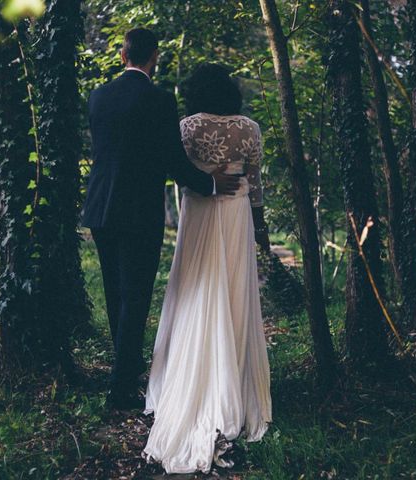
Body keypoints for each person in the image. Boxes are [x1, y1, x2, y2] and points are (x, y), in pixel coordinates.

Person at [81, 29, 241, 409]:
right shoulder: (159, 100)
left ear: (122, 55)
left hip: (101, 208)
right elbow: (173, 160)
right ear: (154, 57)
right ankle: (121, 390)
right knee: (135, 297)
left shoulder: (98, 97)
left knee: (114, 293)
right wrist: (211, 183)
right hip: (138, 211)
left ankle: (127, 365)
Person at [143, 63, 272, 474]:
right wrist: (261, 227)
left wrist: (202, 178)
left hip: (199, 211)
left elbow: (178, 172)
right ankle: (230, 380)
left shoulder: (188, 127)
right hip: (235, 215)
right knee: (232, 293)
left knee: (196, 286)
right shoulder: (250, 129)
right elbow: (255, 184)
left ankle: (188, 378)